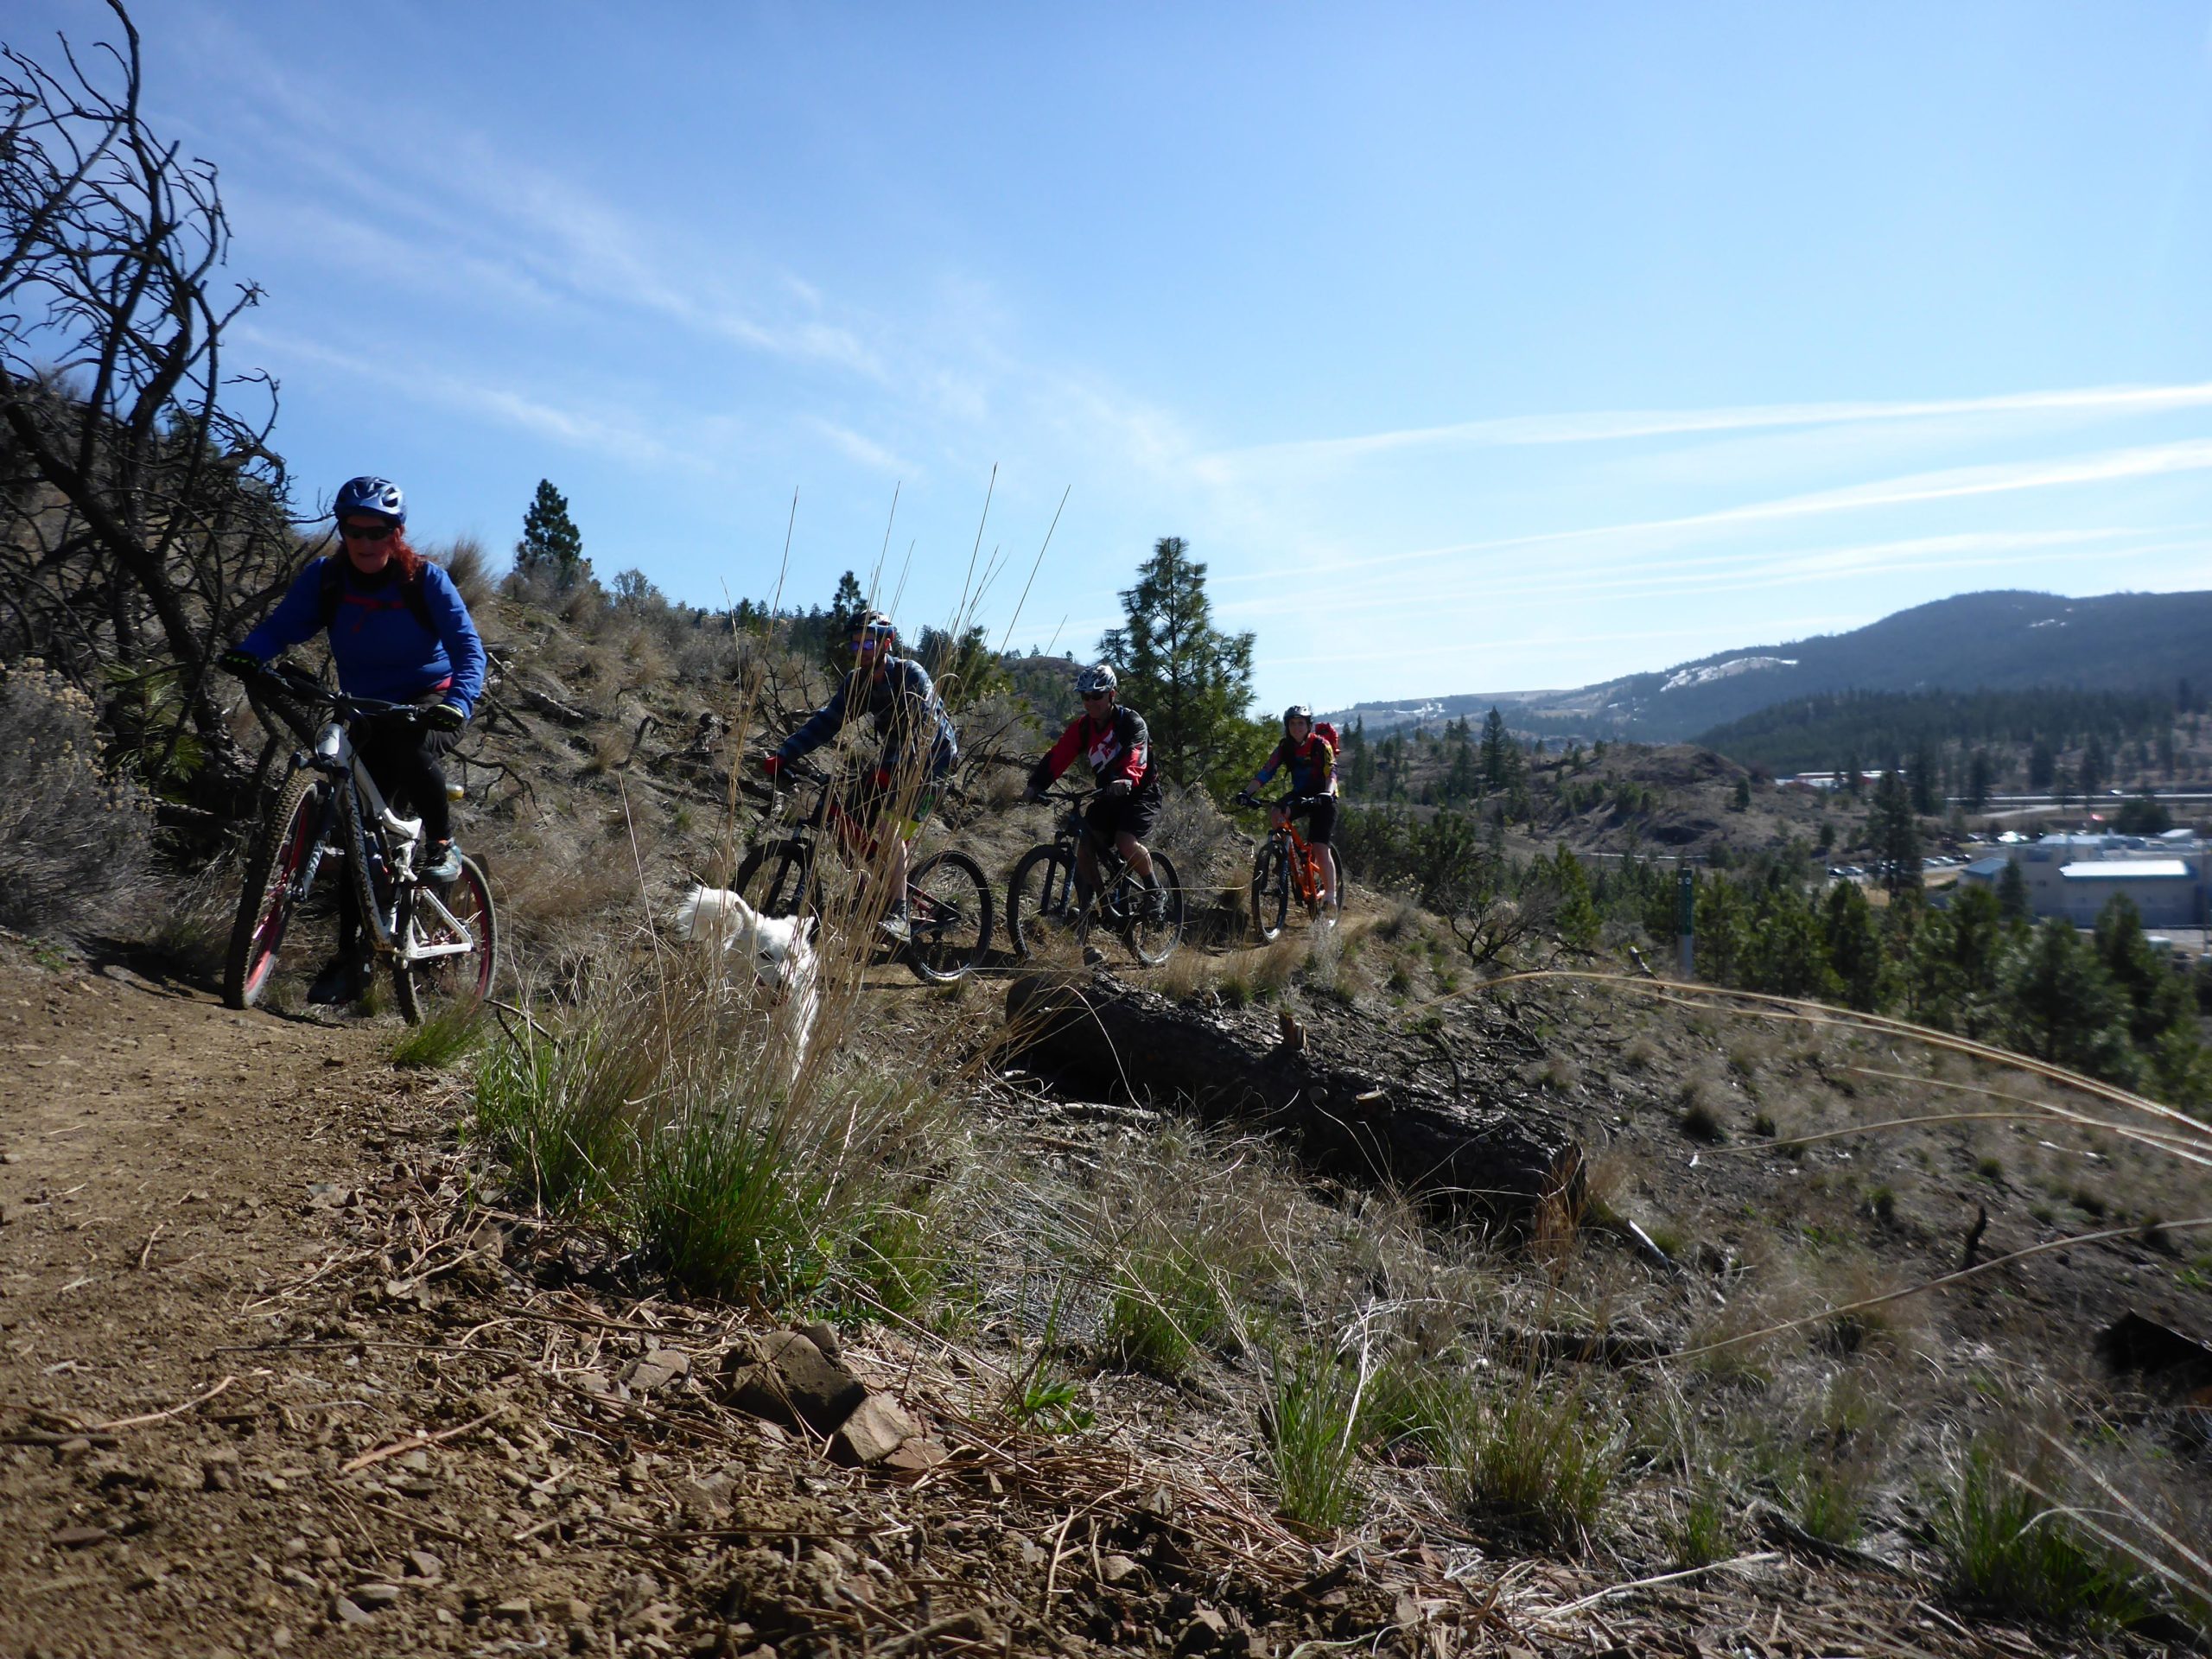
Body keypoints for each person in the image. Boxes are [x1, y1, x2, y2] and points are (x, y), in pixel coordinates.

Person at [219, 475, 486, 1003]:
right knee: (355, 829)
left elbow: (468, 650)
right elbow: (283, 627)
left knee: (408, 748)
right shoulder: (328, 579)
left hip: (427, 702)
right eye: (354, 530)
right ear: (342, 530)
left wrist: (457, 703)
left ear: (397, 533)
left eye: (378, 531)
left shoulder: (424, 581)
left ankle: (441, 842)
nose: (365, 542)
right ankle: (352, 961)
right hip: (363, 705)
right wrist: (251, 651)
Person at [761, 611, 957, 941]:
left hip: (931, 761)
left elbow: (924, 729)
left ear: (887, 642)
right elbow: (827, 722)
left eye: (868, 642)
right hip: (892, 759)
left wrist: (892, 770)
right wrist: (785, 754)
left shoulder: (910, 674)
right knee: (839, 818)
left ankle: (899, 913)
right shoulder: (858, 682)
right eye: (856, 643)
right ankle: (870, 891)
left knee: (888, 824)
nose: (861, 649)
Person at [1022, 663, 1165, 951]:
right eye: (1085, 696)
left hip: (1140, 792)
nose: (1090, 702)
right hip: (1108, 794)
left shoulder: (1130, 722)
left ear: (1111, 695)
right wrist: (1036, 784)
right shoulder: (1083, 727)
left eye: (1096, 696)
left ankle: (1154, 889)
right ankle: (1102, 905)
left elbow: (1137, 753)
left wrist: (1126, 778)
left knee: (1125, 841)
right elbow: (1059, 755)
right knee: (1086, 846)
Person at [1239, 704, 1340, 919]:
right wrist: (1246, 793)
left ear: (1308, 725)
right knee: (1277, 812)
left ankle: (1331, 895)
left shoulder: (1321, 745)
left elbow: (1331, 771)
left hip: (1324, 796)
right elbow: (1266, 771)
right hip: (1301, 792)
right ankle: (1283, 858)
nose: (1296, 727)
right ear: (1287, 726)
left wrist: (1327, 793)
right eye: (1292, 724)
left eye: (1300, 723)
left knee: (1321, 847)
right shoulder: (1286, 747)